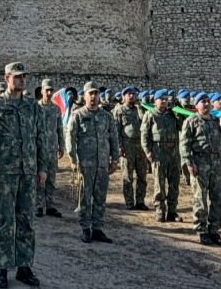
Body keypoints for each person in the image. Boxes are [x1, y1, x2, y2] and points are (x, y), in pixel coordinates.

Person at [0, 62, 48, 289]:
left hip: (28, 171)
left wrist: (42, 168)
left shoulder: (32, 106)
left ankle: (24, 266)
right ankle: (2, 267)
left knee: (27, 220)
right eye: (17, 76)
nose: (22, 80)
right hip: (5, 172)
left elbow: (40, 138)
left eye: (24, 76)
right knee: (5, 220)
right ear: (7, 78)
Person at [66, 81, 119, 243]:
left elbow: (113, 138)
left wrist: (115, 159)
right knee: (85, 197)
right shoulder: (78, 115)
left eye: (96, 93)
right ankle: (85, 228)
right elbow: (70, 138)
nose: (94, 97)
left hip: (102, 164)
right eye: (91, 94)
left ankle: (97, 228)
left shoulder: (106, 117)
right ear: (85, 96)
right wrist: (73, 159)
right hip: (85, 164)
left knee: (100, 197)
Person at [180, 93, 221, 246]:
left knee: (218, 198)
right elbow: (184, 144)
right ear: (196, 105)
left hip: (217, 163)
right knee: (200, 198)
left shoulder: (216, 120)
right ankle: (201, 230)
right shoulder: (191, 121)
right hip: (200, 163)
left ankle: (214, 230)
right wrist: (189, 163)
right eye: (202, 102)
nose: (206, 104)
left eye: (207, 101)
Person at [141, 89, 181, 223]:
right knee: (159, 183)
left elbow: (182, 126)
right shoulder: (150, 114)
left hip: (173, 152)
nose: (164, 102)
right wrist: (147, 151)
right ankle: (160, 210)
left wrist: (178, 111)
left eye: (166, 99)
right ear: (155, 101)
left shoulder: (172, 114)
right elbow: (144, 135)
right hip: (158, 152)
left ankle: (172, 211)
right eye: (161, 99)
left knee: (174, 183)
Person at [112, 87, 149, 210]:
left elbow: (145, 124)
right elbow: (116, 130)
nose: (132, 96)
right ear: (124, 97)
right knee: (128, 176)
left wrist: (139, 109)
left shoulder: (140, 109)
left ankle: (140, 201)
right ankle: (129, 202)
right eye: (129, 94)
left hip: (140, 146)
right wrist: (119, 146)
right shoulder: (119, 110)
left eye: (133, 94)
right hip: (127, 145)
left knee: (142, 176)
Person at [35, 78, 66, 217]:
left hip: (52, 149)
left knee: (51, 178)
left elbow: (60, 129)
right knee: (38, 178)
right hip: (38, 149)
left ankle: (50, 205)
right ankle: (38, 205)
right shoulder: (36, 108)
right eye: (46, 90)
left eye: (51, 90)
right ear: (42, 91)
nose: (49, 93)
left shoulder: (56, 109)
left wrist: (61, 145)